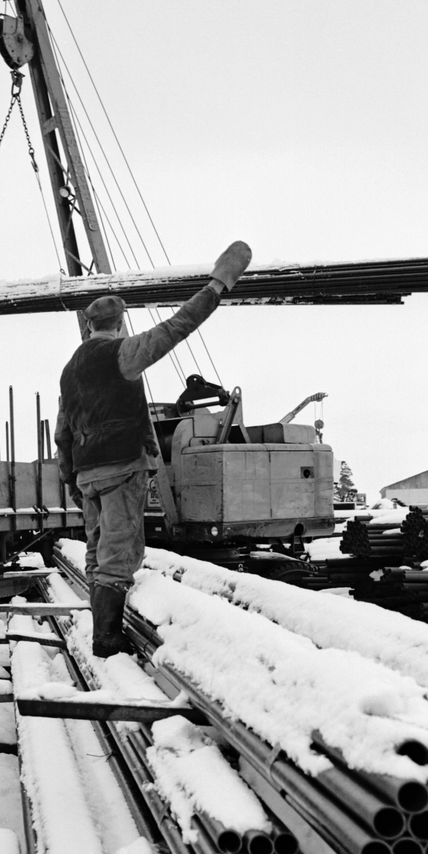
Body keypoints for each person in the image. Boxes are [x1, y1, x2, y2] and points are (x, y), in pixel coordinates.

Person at [54, 241, 252, 658]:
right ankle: (107, 641)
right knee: (120, 552)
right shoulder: (122, 353)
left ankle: (102, 628)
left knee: (96, 550)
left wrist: (72, 479)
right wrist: (216, 286)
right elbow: (177, 326)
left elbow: (63, 432)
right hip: (121, 467)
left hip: (87, 476)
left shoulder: (69, 370)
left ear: (89, 326)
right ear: (120, 323)